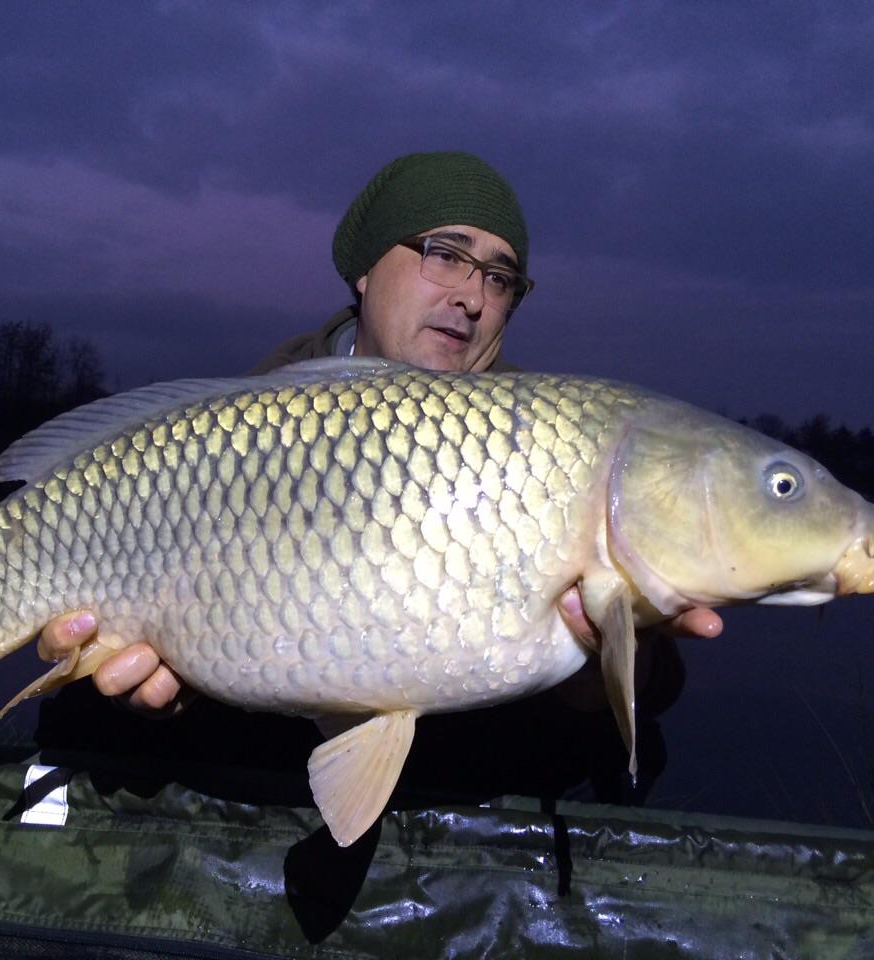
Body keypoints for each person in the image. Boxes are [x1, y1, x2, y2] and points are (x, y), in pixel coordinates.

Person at [36, 151, 722, 714]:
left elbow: (657, 694)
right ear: (365, 270)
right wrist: (184, 691)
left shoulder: (551, 448)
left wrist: (611, 652)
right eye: (445, 254)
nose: (473, 296)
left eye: (500, 277)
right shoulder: (243, 427)